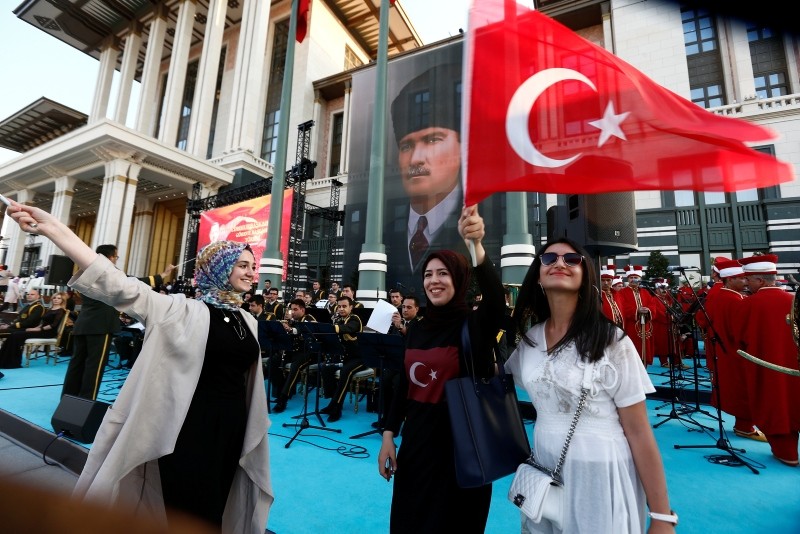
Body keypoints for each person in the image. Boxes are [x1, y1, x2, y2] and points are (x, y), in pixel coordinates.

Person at [5, 201, 273, 531]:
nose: (252, 272)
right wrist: (51, 228)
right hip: (187, 429)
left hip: (233, 427)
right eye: (244, 265)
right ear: (219, 268)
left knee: (218, 501)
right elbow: (116, 283)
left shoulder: (248, 319)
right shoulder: (177, 310)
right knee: (188, 506)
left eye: (254, 265)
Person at [506, 237, 675, 533]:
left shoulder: (611, 341)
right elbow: (495, 378)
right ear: (538, 275)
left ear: (586, 277)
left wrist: (662, 516)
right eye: (549, 259)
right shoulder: (531, 340)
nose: (559, 263)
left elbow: (638, 431)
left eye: (572, 260)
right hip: (544, 474)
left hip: (600, 477)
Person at [378, 205, 504, 533]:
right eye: (428, 274)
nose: (434, 281)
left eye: (443, 273)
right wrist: (389, 435)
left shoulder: (473, 325)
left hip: (464, 450)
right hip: (418, 447)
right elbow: (405, 387)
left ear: (459, 278)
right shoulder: (417, 329)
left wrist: (476, 246)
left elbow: (495, 300)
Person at [386, 63, 464, 289]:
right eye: (406, 146)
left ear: (462, 147)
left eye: (432, 140)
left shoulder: (475, 227)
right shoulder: (386, 233)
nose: (416, 159)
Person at [62, 245, 174, 401]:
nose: (116, 260)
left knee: (76, 364)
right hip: (101, 326)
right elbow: (134, 284)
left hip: (84, 324)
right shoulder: (107, 275)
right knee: (94, 367)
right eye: (116, 257)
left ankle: (67, 399)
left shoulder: (88, 271)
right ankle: (86, 402)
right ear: (110, 258)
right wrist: (164, 274)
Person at [735, 254, 800, 466]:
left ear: (760, 281)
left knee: (774, 406)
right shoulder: (792, 301)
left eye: (749, 279)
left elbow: (740, 338)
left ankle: (787, 453)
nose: (745, 283)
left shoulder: (749, 304)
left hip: (764, 368)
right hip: (794, 366)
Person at [703, 259, 765, 441]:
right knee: (743, 389)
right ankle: (744, 426)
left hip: (724, 350)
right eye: (740, 278)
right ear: (729, 280)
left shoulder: (720, 296)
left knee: (736, 388)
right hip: (737, 352)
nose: (745, 282)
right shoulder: (734, 299)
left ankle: (743, 425)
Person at [319, 295, 363, 422]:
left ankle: (337, 408)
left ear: (351, 307)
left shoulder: (355, 319)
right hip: (345, 357)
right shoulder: (338, 320)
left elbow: (347, 328)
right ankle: (333, 401)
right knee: (325, 368)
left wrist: (330, 328)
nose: (341, 309)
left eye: (344, 306)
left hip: (359, 357)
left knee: (345, 372)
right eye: (339, 306)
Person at [272, 299, 318, 414]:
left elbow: (302, 331)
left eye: (295, 309)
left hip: (308, 353)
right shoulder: (293, 320)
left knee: (295, 367)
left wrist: (291, 329)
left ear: (303, 309)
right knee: (274, 361)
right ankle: (281, 390)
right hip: (294, 351)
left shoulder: (309, 319)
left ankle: (283, 399)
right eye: (292, 309)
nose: (293, 312)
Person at [0, 291, 68, 369]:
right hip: (41, 330)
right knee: (14, 334)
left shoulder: (61, 311)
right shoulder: (50, 309)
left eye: (59, 298)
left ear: (62, 300)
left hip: (48, 333)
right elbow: (43, 322)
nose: (56, 300)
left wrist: (38, 329)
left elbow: (53, 325)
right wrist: (36, 328)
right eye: (54, 298)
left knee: (17, 335)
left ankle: (12, 363)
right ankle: (4, 360)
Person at [617, 265, 660, 366]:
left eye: (635, 277)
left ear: (640, 279)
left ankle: (644, 367)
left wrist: (648, 309)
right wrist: (637, 310)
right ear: (628, 279)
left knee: (644, 351)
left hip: (645, 325)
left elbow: (652, 303)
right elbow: (622, 307)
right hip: (631, 325)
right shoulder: (622, 292)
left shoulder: (645, 292)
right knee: (632, 350)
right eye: (631, 278)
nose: (633, 280)